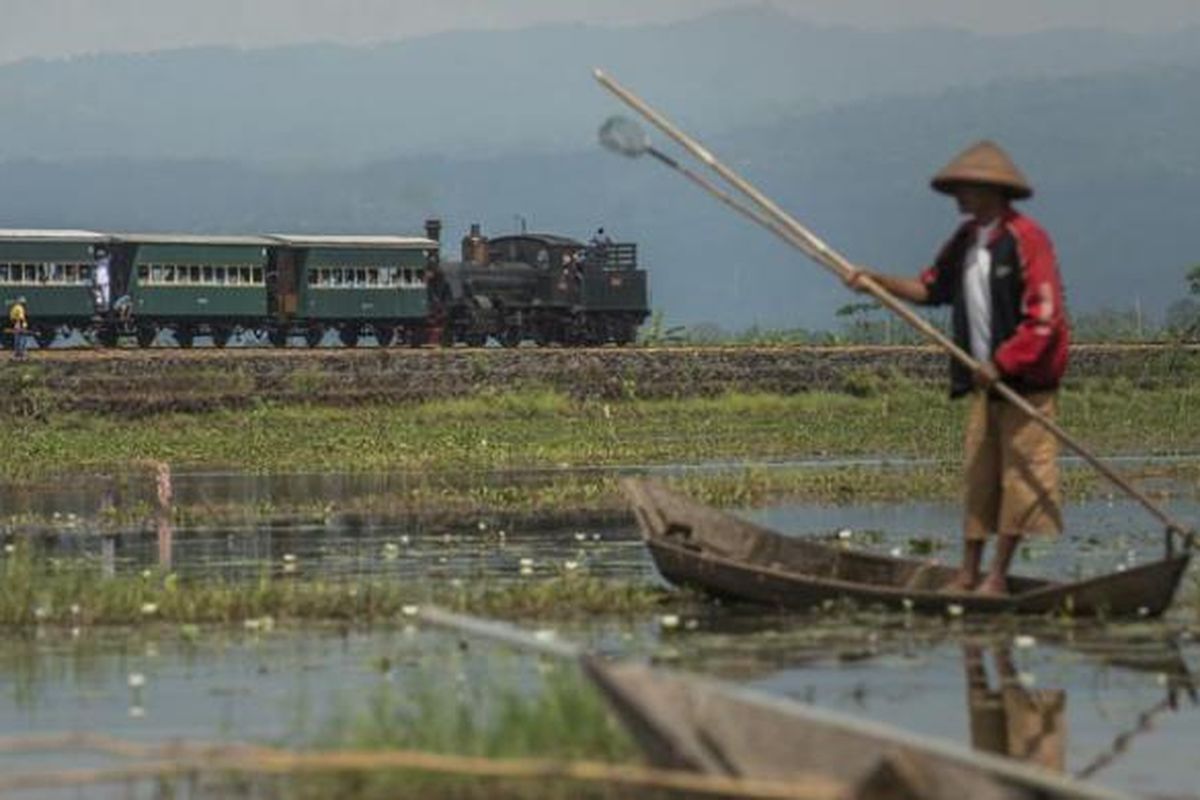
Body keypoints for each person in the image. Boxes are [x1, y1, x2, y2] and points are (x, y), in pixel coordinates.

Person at [846, 141, 1070, 595]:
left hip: (1025, 385)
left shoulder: (1027, 239)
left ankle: (997, 577)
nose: (958, 199)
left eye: (965, 189)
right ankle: (968, 573)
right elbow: (931, 288)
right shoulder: (967, 241)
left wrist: (1004, 362)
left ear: (991, 190)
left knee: (1022, 477)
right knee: (980, 478)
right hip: (984, 384)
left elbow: (1045, 318)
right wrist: (876, 283)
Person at [8, 295, 28, 360]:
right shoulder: (19, 308)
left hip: (16, 325)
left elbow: (12, 317)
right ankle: (21, 355)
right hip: (20, 325)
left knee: (17, 340)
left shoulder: (14, 307)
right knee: (22, 340)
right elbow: (20, 317)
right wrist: (20, 324)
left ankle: (17, 354)